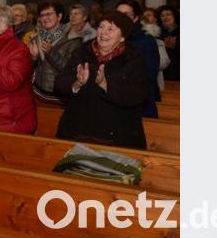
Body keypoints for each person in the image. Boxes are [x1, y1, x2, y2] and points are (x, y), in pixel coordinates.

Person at [54, 11, 148, 149]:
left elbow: (138, 95)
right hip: (77, 131)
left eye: (110, 29)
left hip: (117, 135)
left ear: (122, 37)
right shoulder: (81, 53)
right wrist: (77, 83)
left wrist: (105, 85)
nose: (103, 32)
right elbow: (59, 85)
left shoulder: (133, 59)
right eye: (101, 27)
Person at [29, 1, 82, 103]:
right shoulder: (36, 38)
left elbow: (70, 70)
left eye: (49, 14)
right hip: (38, 93)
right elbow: (30, 69)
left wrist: (50, 52)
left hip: (59, 95)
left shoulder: (73, 39)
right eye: (42, 15)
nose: (45, 18)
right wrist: (34, 58)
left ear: (59, 16)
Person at [116, 0, 160, 118]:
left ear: (135, 18)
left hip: (139, 106)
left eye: (126, 15)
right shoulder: (109, 39)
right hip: (114, 103)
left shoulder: (146, 41)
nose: (120, 18)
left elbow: (149, 75)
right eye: (118, 14)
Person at [158, 5, 179, 82]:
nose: (166, 17)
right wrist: (164, 45)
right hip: (163, 73)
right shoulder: (157, 33)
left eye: (168, 14)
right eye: (162, 15)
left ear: (175, 16)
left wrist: (176, 46)